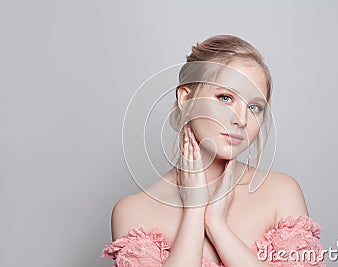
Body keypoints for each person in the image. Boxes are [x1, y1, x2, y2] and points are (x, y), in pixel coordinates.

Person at [101, 35, 326, 267]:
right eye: (225, 98)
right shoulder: (134, 211)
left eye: (254, 107)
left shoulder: (281, 192)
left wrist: (217, 226)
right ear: (186, 98)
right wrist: (194, 211)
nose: (241, 119)